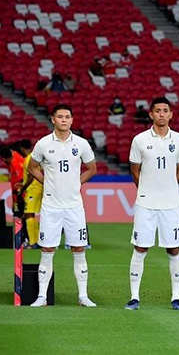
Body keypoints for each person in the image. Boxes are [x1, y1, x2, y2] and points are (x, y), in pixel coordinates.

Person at [27, 104, 97, 307]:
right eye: (60, 116)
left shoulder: (82, 144)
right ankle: (42, 296)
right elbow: (32, 167)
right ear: (53, 120)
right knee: (47, 250)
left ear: (72, 120)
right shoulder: (43, 144)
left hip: (74, 206)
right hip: (51, 207)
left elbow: (92, 168)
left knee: (79, 248)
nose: (64, 120)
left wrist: (78, 183)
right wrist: (45, 182)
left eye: (67, 116)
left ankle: (83, 296)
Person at [125, 97, 179, 311]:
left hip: (171, 203)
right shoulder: (140, 140)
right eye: (158, 111)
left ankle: (175, 298)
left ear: (171, 114)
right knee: (140, 247)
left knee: (174, 249)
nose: (162, 114)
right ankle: (134, 297)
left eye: (165, 111)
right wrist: (147, 189)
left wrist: (168, 186)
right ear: (151, 114)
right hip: (146, 203)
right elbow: (135, 171)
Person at [17, 140, 42, 248]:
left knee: (28, 214)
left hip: (33, 188)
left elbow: (31, 176)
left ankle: (32, 242)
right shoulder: (34, 157)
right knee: (32, 215)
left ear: (22, 149)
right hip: (37, 187)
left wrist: (23, 188)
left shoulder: (29, 159)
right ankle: (36, 241)